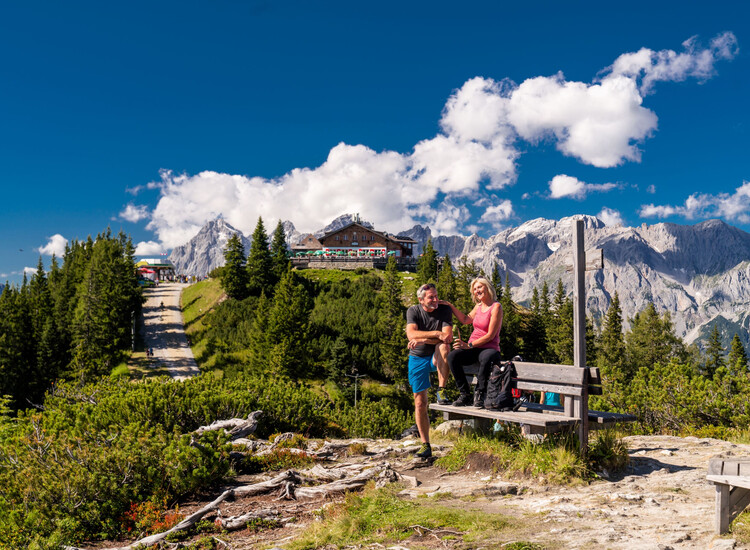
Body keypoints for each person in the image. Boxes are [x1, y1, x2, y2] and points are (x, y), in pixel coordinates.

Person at [440, 277, 503, 408]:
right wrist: (450, 306)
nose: (477, 291)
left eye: (479, 287)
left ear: (487, 287)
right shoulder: (478, 306)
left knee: (486, 358)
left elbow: (490, 335)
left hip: (489, 348)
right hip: (473, 347)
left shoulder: (496, 307)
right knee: (452, 356)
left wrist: (468, 345)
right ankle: (465, 394)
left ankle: (480, 393)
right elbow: (464, 319)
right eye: (475, 289)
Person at [406, 283, 453, 459]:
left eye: (436, 295)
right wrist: (435, 334)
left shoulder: (444, 310)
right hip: (417, 357)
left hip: (435, 356)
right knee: (420, 403)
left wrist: (423, 339)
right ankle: (425, 445)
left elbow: (447, 337)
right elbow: (411, 335)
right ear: (421, 300)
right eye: (431, 297)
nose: (435, 300)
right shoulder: (413, 311)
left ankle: (441, 389)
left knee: (444, 347)